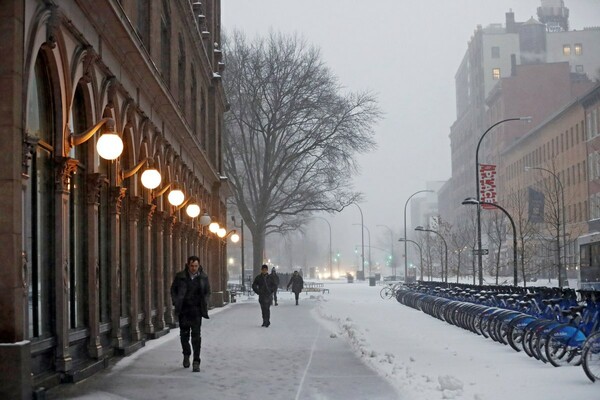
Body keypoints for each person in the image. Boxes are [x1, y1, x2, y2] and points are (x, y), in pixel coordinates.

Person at [170, 256, 211, 372]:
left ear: (199, 266)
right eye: (192, 266)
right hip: (184, 310)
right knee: (184, 335)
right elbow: (173, 289)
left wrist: (205, 301)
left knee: (196, 337)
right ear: (188, 265)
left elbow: (208, 291)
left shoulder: (203, 277)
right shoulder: (180, 277)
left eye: (196, 266)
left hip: (197, 310)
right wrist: (176, 301)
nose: (194, 268)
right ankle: (186, 354)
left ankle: (196, 361)